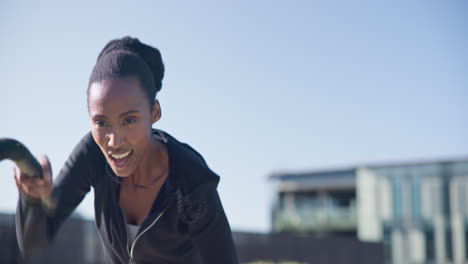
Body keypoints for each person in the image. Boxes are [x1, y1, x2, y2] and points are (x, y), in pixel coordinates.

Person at [14, 36, 239, 264]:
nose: (114, 141)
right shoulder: (92, 153)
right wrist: (32, 199)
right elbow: (34, 243)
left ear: (155, 113)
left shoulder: (192, 182)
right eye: (101, 123)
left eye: (129, 120)